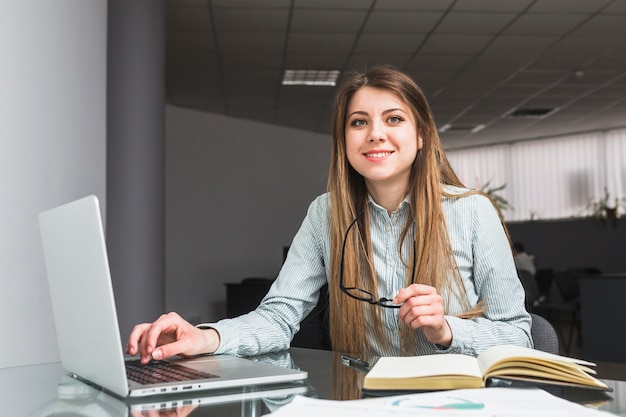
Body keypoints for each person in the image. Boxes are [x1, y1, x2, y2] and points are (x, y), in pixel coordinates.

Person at [126, 65, 532, 364]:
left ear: (421, 134)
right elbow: (279, 317)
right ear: (344, 140)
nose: (375, 133)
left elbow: (520, 338)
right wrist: (206, 336)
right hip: (366, 401)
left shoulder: (472, 211)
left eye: (394, 119)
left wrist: (446, 330)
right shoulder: (326, 214)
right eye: (359, 122)